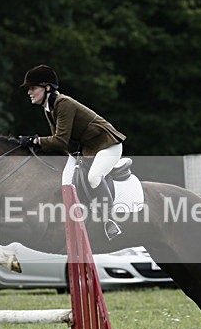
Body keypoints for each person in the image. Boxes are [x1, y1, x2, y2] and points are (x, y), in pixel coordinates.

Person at [19, 64, 126, 239]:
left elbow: (60, 141)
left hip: (108, 145)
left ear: (47, 88)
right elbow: (60, 146)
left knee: (93, 177)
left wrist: (35, 140)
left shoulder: (63, 103)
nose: (29, 92)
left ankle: (110, 220)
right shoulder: (49, 108)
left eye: (33, 88)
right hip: (90, 149)